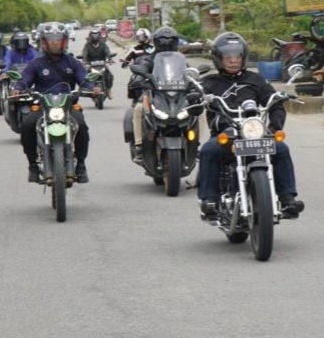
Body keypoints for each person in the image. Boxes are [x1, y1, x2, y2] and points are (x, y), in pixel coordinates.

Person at [197, 32, 304, 220]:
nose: (233, 61)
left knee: (281, 148)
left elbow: (274, 102)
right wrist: (194, 98)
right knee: (208, 150)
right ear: (218, 59)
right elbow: (194, 102)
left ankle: (288, 199)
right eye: (228, 57)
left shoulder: (255, 79)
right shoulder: (209, 82)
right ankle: (209, 200)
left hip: (253, 132)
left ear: (243, 57)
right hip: (225, 132)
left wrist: (275, 127)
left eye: (237, 57)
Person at [11, 22, 99, 184]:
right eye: (50, 39)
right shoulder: (36, 63)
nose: (54, 42)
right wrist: (18, 88)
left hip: (67, 105)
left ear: (64, 41)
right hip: (43, 106)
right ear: (44, 41)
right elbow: (24, 80)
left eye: (58, 39)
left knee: (82, 126)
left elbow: (84, 79)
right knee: (28, 126)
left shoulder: (72, 62)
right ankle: (32, 166)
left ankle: (80, 164)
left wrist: (92, 88)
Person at [130, 25, 180, 163]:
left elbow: (189, 74)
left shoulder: (180, 61)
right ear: (156, 42)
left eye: (170, 41)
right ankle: (139, 145)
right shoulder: (150, 59)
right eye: (163, 41)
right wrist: (140, 79)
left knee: (197, 111)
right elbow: (143, 69)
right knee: (139, 108)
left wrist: (195, 81)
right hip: (154, 95)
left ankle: (196, 144)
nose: (166, 44)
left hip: (177, 96)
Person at [81, 29, 115, 99]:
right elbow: (84, 54)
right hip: (90, 65)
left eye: (96, 35)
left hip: (102, 64)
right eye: (93, 35)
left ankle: (108, 90)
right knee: (85, 77)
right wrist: (84, 61)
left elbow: (107, 52)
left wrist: (110, 59)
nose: (95, 37)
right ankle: (86, 90)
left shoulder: (103, 44)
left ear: (99, 36)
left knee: (109, 75)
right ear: (90, 36)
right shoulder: (87, 45)